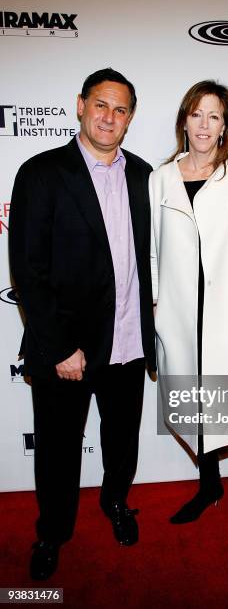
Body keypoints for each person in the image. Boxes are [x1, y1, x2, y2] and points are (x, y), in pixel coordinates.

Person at [9, 68, 156, 580]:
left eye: (121, 110)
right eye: (101, 105)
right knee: (57, 448)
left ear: (131, 118)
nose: (109, 117)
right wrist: (58, 347)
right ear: (80, 105)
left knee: (122, 441)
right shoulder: (42, 172)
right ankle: (51, 532)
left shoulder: (144, 176)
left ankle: (116, 503)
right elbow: (28, 268)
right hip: (67, 350)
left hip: (129, 342)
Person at [150, 80, 228, 561]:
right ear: (184, 120)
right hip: (181, 317)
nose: (205, 125)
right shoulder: (161, 178)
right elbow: (156, 251)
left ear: (227, 126)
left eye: (215, 116)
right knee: (195, 408)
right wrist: (159, 306)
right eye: (197, 115)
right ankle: (209, 488)